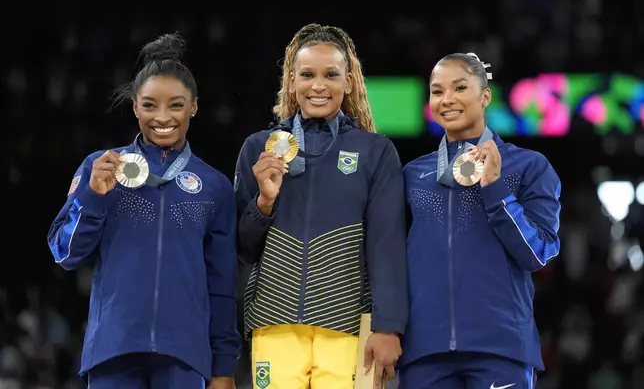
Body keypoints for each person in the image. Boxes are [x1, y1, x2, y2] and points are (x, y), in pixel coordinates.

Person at [46, 33, 239, 389]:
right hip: (112, 353)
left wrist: (224, 367)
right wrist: (93, 198)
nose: (162, 117)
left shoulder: (215, 186)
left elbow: (222, 285)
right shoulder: (102, 168)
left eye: (176, 105)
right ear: (135, 106)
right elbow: (65, 252)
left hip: (185, 358)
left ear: (194, 106)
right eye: (149, 105)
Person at [234, 23, 408, 389]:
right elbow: (243, 248)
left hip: (346, 323)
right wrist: (264, 201)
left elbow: (386, 244)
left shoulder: (375, 152)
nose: (318, 85)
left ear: (348, 82)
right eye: (307, 75)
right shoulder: (259, 148)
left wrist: (388, 326)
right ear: (292, 82)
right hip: (273, 320)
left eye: (331, 75)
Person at [399, 52, 562, 389]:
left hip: (501, 349)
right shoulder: (413, 174)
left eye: (460, 87)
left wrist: (496, 190)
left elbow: (537, 254)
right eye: (437, 91)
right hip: (424, 351)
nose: (447, 100)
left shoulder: (529, 167)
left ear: (485, 95)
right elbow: (389, 256)